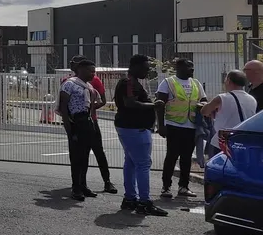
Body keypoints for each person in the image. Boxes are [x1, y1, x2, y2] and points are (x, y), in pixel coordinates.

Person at [113, 54, 168, 216]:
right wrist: (154, 105)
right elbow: (130, 103)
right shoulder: (129, 82)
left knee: (130, 162)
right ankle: (144, 202)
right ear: (135, 66)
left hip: (128, 127)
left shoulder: (131, 82)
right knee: (143, 164)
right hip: (135, 128)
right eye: (145, 67)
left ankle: (130, 198)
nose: (147, 70)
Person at [60, 55, 116, 194]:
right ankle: (79, 185)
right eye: (73, 64)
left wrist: (89, 110)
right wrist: (69, 125)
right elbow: (63, 105)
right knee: (77, 154)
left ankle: (107, 182)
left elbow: (102, 100)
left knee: (98, 151)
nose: (73, 66)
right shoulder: (67, 82)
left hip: (91, 121)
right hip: (76, 122)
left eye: (76, 64)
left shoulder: (93, 82)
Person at [155, 58, 205, 198]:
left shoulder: (196, 83)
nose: (192, 70)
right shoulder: (168, 83)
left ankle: (184, 186)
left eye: (192, 67)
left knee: (186, 157)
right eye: (189, 67)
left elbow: (203, 100)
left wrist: (203, 105)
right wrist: (161, 126)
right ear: (179, 68)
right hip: (174, 125)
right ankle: (166, 187)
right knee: (171, 156)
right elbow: (159, 105)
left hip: (191, 125)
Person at [59, 58, 99, 201]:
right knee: (76, 158)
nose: (93, 74)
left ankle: (83, 185)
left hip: (87, 122)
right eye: (91, 71)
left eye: (94, 72)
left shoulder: (88, 86)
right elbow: (63, 107)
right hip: (76, 122)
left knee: (85, 157)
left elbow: (93, 105)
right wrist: (69, 130)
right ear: (81, 70)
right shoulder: (69, 84)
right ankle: (76, 188)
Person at [200, 70, 257, 159]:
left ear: (229, 81)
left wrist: (207, 106)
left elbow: (204, 111)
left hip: (223, 142)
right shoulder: (252, 99)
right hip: (242, 140)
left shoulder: (222, 97)